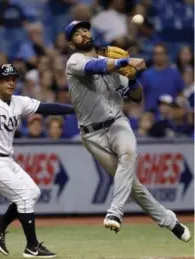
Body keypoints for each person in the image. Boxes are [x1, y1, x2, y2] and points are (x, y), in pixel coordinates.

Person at [64, 20, 191, 242]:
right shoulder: (74, 61)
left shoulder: (113, 64)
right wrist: (125, 60)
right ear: (72, 44)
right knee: (133, 186)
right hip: (92, 134)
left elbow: (136, 96)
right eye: (76, 34)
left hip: (117, 123)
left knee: (128, 155)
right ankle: (170, 221)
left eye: (85, 29)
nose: (83, 34)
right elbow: (96, 67)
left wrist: (132, 78)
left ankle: (115, 212)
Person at [0, 64, 75, 258]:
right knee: (24, 196)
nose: (11, 83)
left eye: (13, 79)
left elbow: (45, 107)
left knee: (33, 193)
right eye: (6, 79)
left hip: (5, 159)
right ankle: (32, 246)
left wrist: (73, 110)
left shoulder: (18, 102)